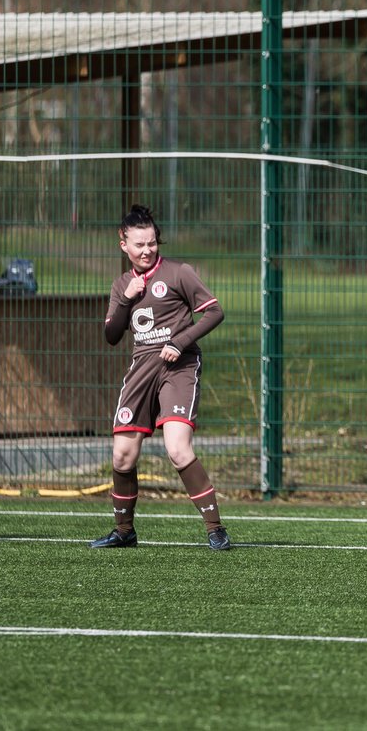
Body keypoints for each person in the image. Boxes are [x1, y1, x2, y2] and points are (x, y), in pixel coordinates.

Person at [91, 205, 231, 551]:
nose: (147, 250)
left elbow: (215, 312)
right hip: (141, 370)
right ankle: (124, 531)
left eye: (152, 243)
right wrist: (126, 301)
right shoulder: (122, 284)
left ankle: (215, 529)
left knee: (178, 449)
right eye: (139, 244)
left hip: (178, 367)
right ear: (123, 244)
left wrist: (180, 342)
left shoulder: (179, 273)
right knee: (122, 456)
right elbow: (111, 335)